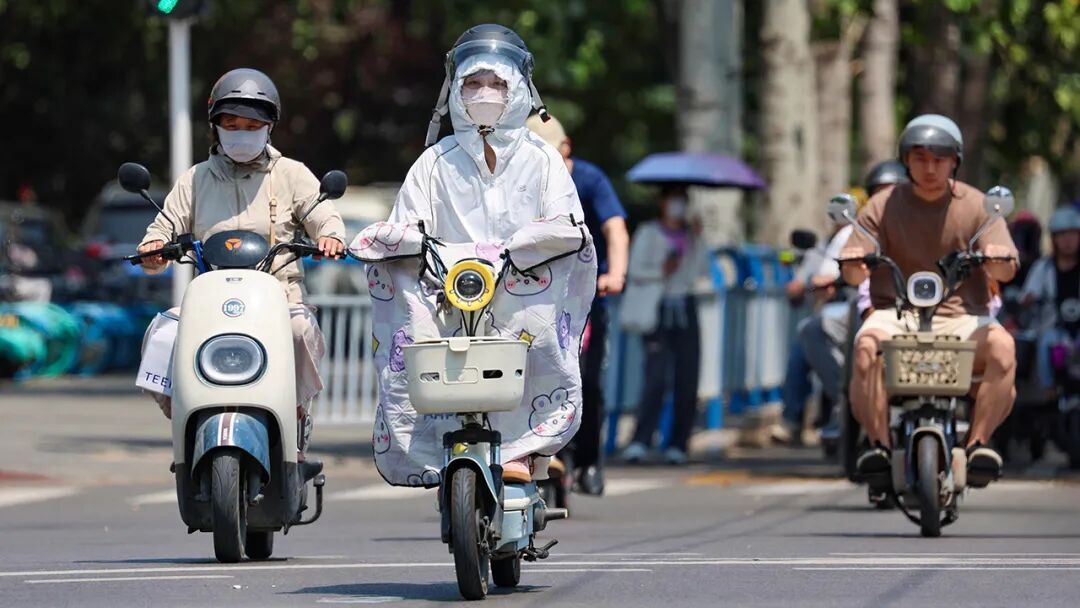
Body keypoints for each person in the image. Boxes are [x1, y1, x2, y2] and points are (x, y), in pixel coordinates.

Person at [388, 24, 586, 484]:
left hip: (525, 291)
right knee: (415, 337)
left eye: (497, 83)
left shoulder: (543, 159)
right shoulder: (433, 162)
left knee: (533, 327)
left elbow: (568, 223)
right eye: (473, 82)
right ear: (455, 90)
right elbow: (405, 224)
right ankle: (438, 443)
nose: (485, 92)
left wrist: (527, 247)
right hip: (450, 294)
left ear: (518, 88)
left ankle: (523, 446)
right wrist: (389, 240)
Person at [136, 68, 346, 460]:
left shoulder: (292, 174)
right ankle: (185, 416)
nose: (241, 133)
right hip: (210, 305)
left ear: (269, 128)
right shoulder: (195, 179)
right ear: (215, 128)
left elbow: (323, 214)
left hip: (279, 300)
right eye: (231, 125)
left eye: (252, 126)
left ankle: (294, 414)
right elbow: (163, 227)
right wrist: (153, 247)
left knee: (300, 329)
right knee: (161, 333)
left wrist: (330, 237)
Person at [840, 114, 1018, 489]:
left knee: (1004, 349)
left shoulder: (979, 205)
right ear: (906, 160)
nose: (930, 168)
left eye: (940, 159)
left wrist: (995, 257)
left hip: (963, 316)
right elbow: (853, 275)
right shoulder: (881, 205)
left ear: (955, 161)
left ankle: (978, 445)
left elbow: (1005, 271)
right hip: (895, 314)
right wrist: (854, 261)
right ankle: (878, 446)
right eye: (920, 158)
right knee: (865, 348)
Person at [527, 114, 629, 495]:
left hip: (585, 297)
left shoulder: (589, 180)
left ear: (565, 148)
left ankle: (588, 461)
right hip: (537, 296)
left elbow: (615, 228)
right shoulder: (523, 182)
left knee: (587, 381)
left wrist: (616, 274)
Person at [785, 161, 910, 442]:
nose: (886, 199)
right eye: (879, 193)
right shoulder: (857, 231)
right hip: (870, 306)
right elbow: (830, 275)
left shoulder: (928, 222)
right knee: (817, 329)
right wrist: (836, 278)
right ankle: (848, 399)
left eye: (894, 192)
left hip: (922, 309)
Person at [620, 185, 709, 465]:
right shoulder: (649, 232)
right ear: (662, 203)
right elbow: (635, 269)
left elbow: (700, 272)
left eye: (681, 200)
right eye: (673, 200)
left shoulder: (692, 236)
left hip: (685, 305)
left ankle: (679, 442)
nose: (677, 206)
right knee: (656, 376)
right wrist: (661, 270)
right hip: (656, 307)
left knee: (687, 377)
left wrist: (698, 240)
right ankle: (641, 439)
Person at [1020, 207, 1080, 395]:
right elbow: (1027, 296)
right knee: (1047, 343)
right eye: (1062, 235)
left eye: (1072, 234)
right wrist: (1027, 300)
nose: (1068, 241)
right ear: (1054, 239)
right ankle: (1049, 392)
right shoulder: (1043, 267)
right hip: (1053, 329)